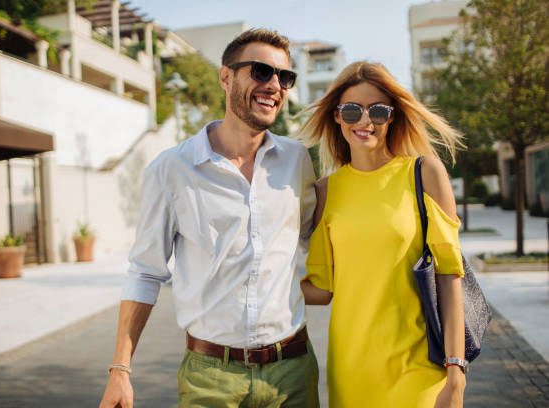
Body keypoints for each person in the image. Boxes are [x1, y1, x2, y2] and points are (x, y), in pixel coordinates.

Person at [99, 29, 320, 408]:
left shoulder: (297, 161)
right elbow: (145, 272)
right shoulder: (171, 169)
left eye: (285, 77)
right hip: (210, 377)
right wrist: (120, 369)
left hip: (293, 373)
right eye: (261, 72)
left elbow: (315, 238)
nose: (274, 86)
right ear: (225, 77)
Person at [299, 61, 467, 408]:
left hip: (419, 367)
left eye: (377, 110)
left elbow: (449, 276)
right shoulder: (326, 191)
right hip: (351, 368)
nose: (364, 121)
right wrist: (248, 282)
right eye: (351, 110)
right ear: (336, 116)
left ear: (392, 117)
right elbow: (322, 288)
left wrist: (456, 370)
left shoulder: (424, 173)